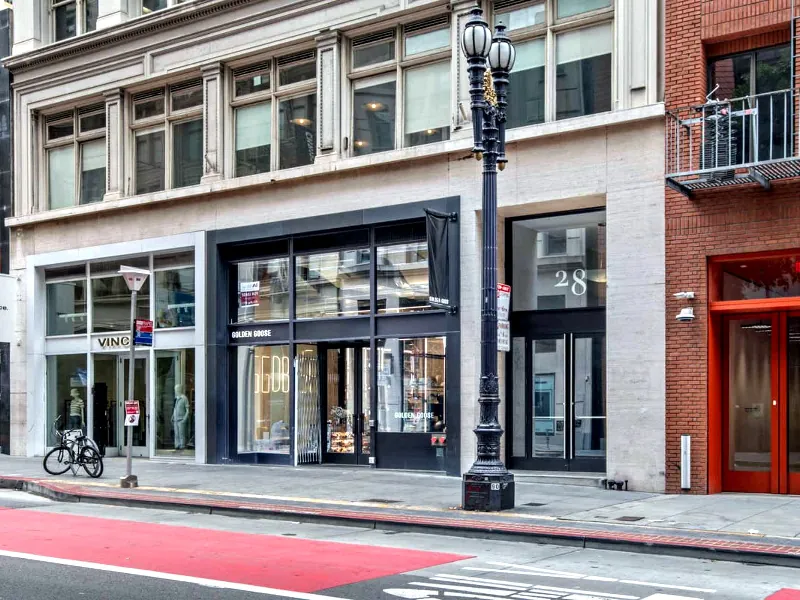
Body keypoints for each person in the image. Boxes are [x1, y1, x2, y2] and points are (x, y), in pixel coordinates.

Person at [172, 384, 190, 450]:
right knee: (176, 433)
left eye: (176, 389)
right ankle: (177, 445)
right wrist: (172, 416)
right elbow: (175, 409)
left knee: (181, 434)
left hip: (181, 419)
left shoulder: (184, 398)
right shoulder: (176, 398)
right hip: (175, 419)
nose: (175, 390)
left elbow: (188, 410)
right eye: (175, 389)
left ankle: (182, 446)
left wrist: (184, 419)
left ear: (179, 389)